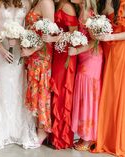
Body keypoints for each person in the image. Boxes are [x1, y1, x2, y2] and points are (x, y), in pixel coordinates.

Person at [0, 0, 40, 150]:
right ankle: (1, 131)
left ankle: (17, 131)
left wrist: (20, 40)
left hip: (18, 50)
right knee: (1, 85)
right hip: (1, 50)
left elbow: (27, 28)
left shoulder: (26, 2)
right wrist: (0, 48)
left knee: (17, 87)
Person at [69, 0, 103, 151]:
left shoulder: (91, 15)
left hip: (92, 58)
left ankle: (88, 138)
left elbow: (95, 41)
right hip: (83, 58)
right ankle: (84, 135)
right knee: (83, 96)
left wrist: (76, 51)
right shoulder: (80, 12)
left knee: (89, 96)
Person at [94, 0, 125, 156]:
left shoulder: (123, 4)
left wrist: (109, 36)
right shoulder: (100, 3)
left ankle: (114, 139)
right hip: (103, 52)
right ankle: (103, 134)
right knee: (104, 93)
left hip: (118, 53)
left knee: (114, 94)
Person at [21, 0, 54, 144]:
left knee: (42, 91)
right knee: (35, 90)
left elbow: (49, 35)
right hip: (33, 55)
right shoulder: (36, 2)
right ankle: (37, 127)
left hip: (42, 54)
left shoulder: (46, 2)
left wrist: (31, 50)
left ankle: (43, 130)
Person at [49, 0, 78, 149]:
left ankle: (62, 137)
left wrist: (54, 39)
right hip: (57, 53)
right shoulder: (57, 4)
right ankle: (55, 134)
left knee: (62, 92)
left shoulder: (67, 6)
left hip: (66, 54)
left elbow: (74, 32)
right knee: (56, 91)